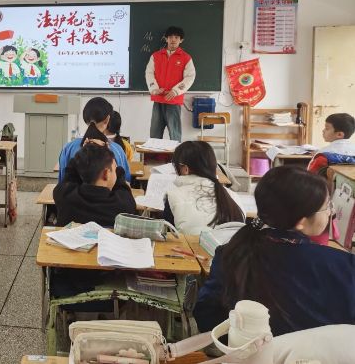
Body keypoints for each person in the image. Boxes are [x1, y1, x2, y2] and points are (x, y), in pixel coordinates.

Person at [194, 166, 355, 336]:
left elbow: (206, 317)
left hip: (242, 350)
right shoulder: (343, 266)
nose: (331, 212)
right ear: (301, 222)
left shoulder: (231, 252)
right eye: (327, 206)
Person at [163, 141, 244, 235]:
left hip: (193, 245)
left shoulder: (173, 195)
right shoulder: (233, 196)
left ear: (185, 169)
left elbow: (169, 235)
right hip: (232, 245)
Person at [54, 143, 136, 227]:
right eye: (115, 169)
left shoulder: (64, 196)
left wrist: (85, 154)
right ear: (106, 174)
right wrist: (115, 166)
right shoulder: (123, 204)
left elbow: (70, 174)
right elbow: (122, 185)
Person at [57, 97, 131, 184]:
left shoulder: (68, 148)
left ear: (85, 119)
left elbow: (62, 181)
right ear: (107, 119)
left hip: (73, 193)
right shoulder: (117, 150)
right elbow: (125, 181)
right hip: (107, 193)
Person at [145, 26, 195, 141]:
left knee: (174, 134)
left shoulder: (186, 58)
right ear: (166, 39)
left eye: (176, 37)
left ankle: (176, 153)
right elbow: (149, 73)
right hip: (158, 98)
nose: (173, 40)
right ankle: (154, 153)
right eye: (170, 37)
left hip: (174, 100)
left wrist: (175, 91)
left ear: (181, 40)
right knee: (155, 133)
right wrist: (154, 89)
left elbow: (190, 77)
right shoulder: (156, 56)